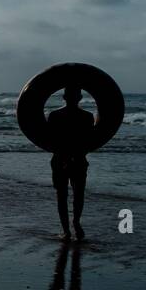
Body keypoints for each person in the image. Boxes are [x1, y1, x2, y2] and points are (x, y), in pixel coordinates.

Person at [47, 85, 95, 241]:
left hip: (60, 159)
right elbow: (89, 141)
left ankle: (66, 231)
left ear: (64, 97)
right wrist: (75, 155)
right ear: (80, 98)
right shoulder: (88, 116)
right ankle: (76, 223)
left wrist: (66, 156)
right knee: (78, 195)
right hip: (79, 159)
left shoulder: (54, 115)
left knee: (62, 195)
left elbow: (51, 140)